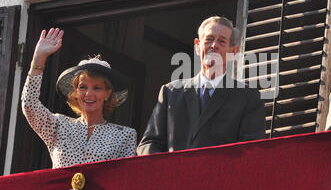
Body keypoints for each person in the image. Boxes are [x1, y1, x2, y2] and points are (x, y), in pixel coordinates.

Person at [137, 16, 265, 154]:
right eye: (209, 39)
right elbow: (149, 144)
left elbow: (251, 151)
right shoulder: (171, 92)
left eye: (222, 41)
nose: (214, 45)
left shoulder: (247, 98)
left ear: (233, 52)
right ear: (197, 46)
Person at [21, 28, 137, 168]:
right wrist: (38, 59)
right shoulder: (58, 125)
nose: (88, 94)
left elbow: (127, 179)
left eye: (97, 88)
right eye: (83, 87)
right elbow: (29, 105)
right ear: (75, 92)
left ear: (108, 93)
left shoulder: (125, 135)